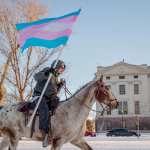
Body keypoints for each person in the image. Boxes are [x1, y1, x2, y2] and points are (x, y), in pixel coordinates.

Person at [33, 59, 66, 147]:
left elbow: (54, 92)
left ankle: (54, 130)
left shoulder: (56, 77)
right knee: (44, 109)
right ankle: (44, 134)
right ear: (56, 67)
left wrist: (59, 86)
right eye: (61, 68)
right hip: (39, 97)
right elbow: (36, 77)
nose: (61, 71)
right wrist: (47, 73)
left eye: (62, 69)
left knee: (58, 106)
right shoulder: (47, 70)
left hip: (49, 98)